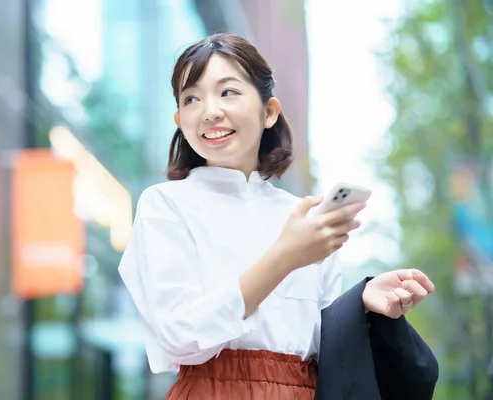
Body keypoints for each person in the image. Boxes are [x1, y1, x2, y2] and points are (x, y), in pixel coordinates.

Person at [118, 33, 438, 399]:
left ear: (269, 111)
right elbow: (180, 337)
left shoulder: (302, 217)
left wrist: (363, 304)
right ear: (180, 119)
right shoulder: (164, 205)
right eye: (191, 98)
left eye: (228, 92)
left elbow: (322, 348)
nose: (209, 111)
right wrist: (286, 256)